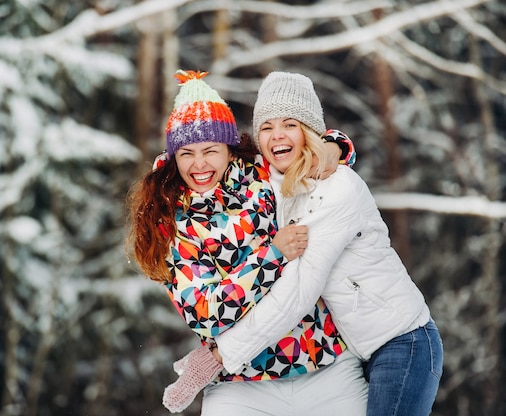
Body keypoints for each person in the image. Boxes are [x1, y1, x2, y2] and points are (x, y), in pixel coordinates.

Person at [170, 71, 444, 416]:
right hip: (356, 349)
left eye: (290, 124)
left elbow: (298, 291)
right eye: (266, 127)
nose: (277, 135)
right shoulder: (268, 182)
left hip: (401, 342)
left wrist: (217, 358)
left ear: (309, 130)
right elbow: (206, 164)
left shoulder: (338, 188)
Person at [127, 69, 367, 415]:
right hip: (241, 386)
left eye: (210, 150)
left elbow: (310, 149)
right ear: (174, 157)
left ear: (228, 148)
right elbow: (207, 313)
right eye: (186, 154)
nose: (199, 165)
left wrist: (336, 146)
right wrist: (272, 257)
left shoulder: (260, 176)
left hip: (324, 362)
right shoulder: (171, 223)